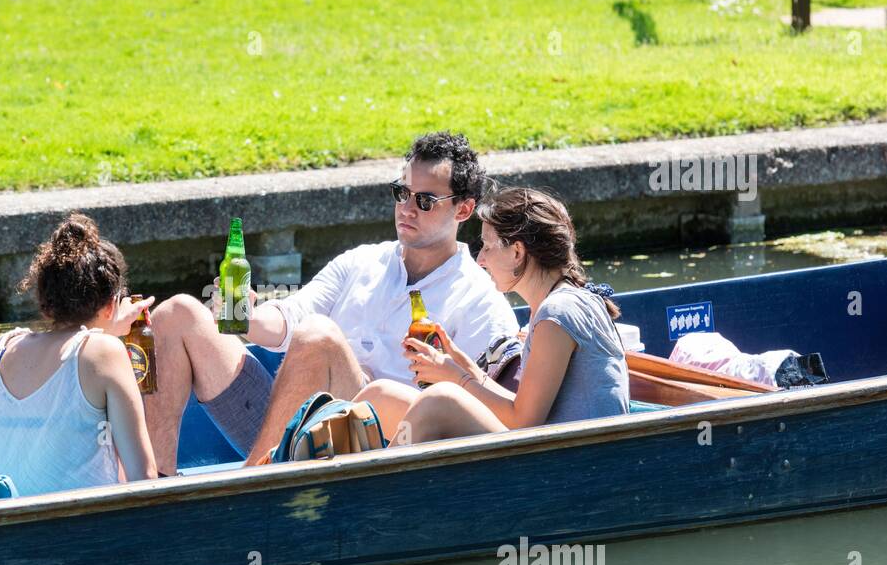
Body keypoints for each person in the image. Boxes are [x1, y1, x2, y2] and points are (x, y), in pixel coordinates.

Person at [142, 132, 521, 470]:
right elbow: (292, 316)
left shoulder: (480, 301)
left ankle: (252, 488)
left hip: (376, 456)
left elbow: (486, 417)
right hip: (293, 429)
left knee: (320, 338)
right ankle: (155, 490)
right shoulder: (360, 260)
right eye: (401, 193)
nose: (407, 209)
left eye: (424, 200)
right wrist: (246, 318)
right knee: (179, 313)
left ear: (464, 209)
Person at [356, 186, 630, 444]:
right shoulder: (555, 305)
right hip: (553, 450)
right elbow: (522, 408)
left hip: (570, 467)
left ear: (517, 252)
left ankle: (377, 492)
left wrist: (457, 379)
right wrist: (467, 369)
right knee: (381, 396)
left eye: (487, 246)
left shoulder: (556, 314)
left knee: (440, 399)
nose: (481, 260)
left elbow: (524, 422)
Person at [0, 213, 156, 497]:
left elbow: (73, 360)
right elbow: (145, 476)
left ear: (45, 304)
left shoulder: (7, 347)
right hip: (84, 532)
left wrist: (108, 326)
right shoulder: (105, 352)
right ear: (111, 304)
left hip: (14, 529)